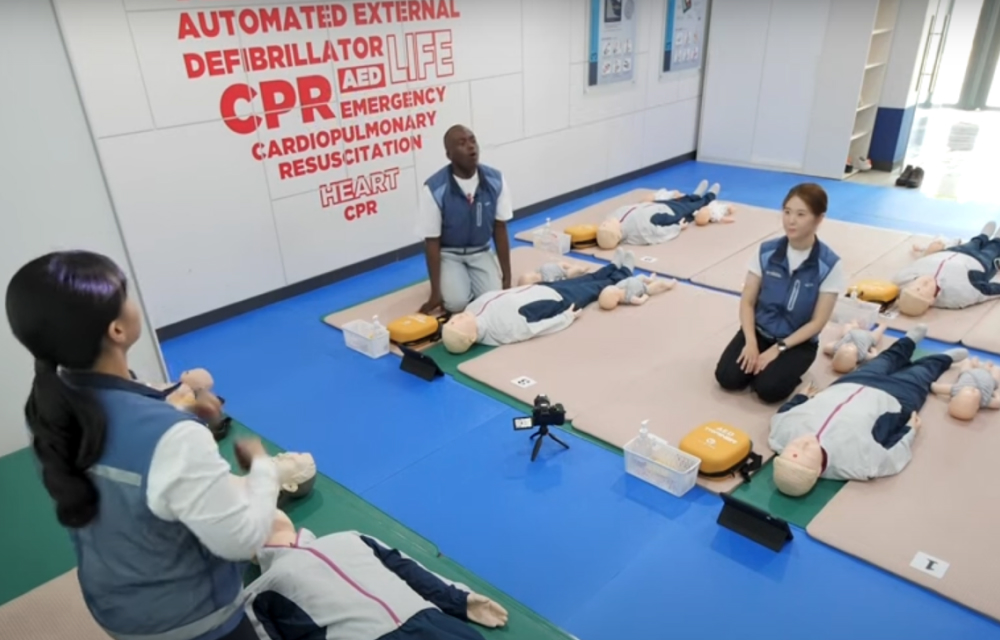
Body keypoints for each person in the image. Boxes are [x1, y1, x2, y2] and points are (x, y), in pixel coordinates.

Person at [4, 250, 279, 640]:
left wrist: (174, 411)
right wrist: (263, 468)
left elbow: (124, 444)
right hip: (197, 624)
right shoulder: (173, 436)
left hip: (117, 611)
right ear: (117, 329)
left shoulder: (50, 411)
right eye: (125, 293)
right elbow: (242, 540)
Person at [244, 510, 508, 639]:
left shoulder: (350, 537)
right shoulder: (257, 592)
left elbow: (409, 568)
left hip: (431, 622)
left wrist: (459, 600)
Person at [768, 325, 967, 496]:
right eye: (806, 452)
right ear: (818, 471)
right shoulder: (857, 465)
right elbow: (892, 457)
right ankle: (942, 359)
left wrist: (802, 397)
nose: (802, 443)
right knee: (921, 374)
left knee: (886, 359)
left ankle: (909, 340)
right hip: (895, 400)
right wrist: (909, 431)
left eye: (793, 449)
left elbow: (783, 414)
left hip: (850, 384)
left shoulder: (780, 436)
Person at [714, 183, 846, 403]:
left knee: (768, 390)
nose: (790, 220)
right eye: (787, 212)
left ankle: (788, 372)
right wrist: (750, 342)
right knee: (727, 378)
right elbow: (747, 302)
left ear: (818, 219)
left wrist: (778, 349)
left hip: (796, 343)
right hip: (759, 332)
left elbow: (818, 322)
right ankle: (761, 362)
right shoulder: (766, 252)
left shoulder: (829, 265)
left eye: (800, 214)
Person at [441, 249, 641, 353]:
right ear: (471, 338)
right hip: (558, 303)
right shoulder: (501, 331)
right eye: (457, 325)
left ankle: (611, 267)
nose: (456, 319)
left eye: (452, 321)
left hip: (540, 289)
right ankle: (623, 273)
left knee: (583, 280)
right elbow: (535, 328)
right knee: (593, 289)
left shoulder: (472, 309)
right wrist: (564, 317)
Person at [415, 125, 514, 314]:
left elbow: (500, 228)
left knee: (492, 300)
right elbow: (432, 241)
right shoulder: (434, 189)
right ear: (449, 154)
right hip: (448, 254)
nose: (471, 147)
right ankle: (450, 284)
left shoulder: (496, 180)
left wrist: (507, 279)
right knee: (456, 304)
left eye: (472, 140)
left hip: (480, 250)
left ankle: (467, 281)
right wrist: (435, 293)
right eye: (462, 143)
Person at [892, 221, 1000, 316]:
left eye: (915, 287)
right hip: (980, 262)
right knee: (993, 249)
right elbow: (984, 292)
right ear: (931, 300)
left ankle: (983, 236)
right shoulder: (956, 296)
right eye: (922, 292)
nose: (923, 284)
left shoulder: (902, 279)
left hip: (951, 252)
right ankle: (997, 239)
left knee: (974, 242)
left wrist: (927, 251)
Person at [595, 180, 721, 249]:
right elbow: (658, 234)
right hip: (668, 215)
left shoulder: (616, 217)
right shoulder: (639, 232)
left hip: (655, 206)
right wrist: (677, 227)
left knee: (679, 201)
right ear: (616, 234)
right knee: (690, 207)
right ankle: (709, 196)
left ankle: (695, 195)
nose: (606, 222)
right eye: (607, 225)